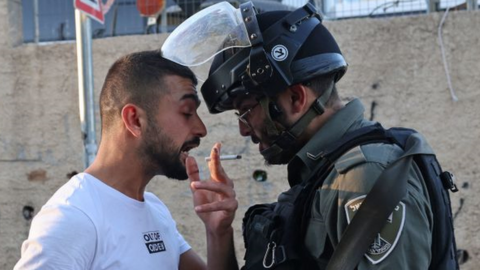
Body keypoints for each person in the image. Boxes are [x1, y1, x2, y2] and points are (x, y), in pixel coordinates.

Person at [161, 2, 458, 270]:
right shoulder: (326, 173)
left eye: (246, 111)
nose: (243, 128)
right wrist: (219, 231)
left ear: (295, 99)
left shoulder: (363, 178)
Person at [14, 50, 237, 270]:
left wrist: (218, 232)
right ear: (135, 120)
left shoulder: (155, 210)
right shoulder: (73, 217)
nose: (201, 129)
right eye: (187, 112)